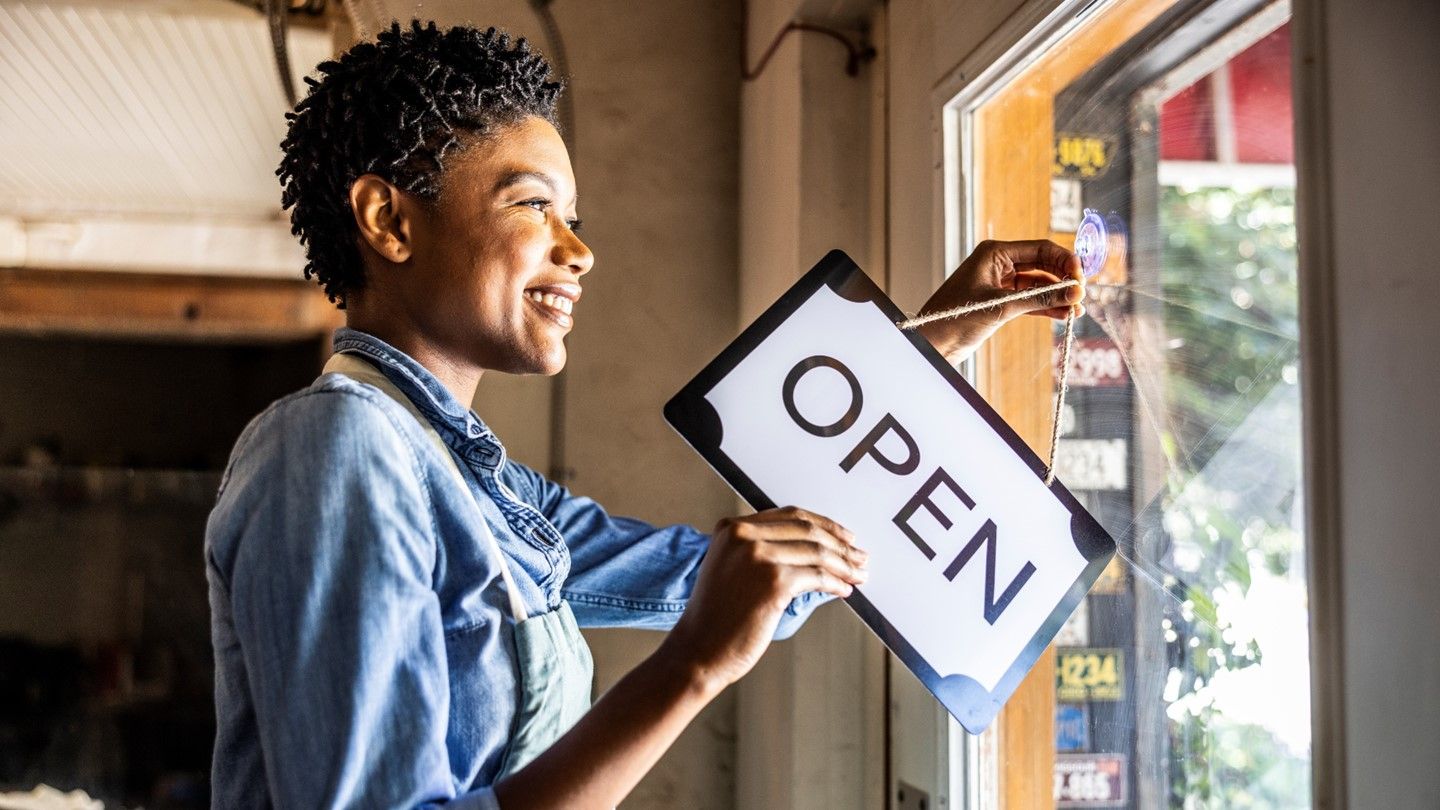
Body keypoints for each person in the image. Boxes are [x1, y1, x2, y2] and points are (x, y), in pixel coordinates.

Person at [204, 21, 1085, 810]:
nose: (579, 250)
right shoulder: (337, 449)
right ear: (389, 220)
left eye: (574, 216)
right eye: (533, 204)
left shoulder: (478, 485)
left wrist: (930, 351)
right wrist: (691, 668)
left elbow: (765, 576)